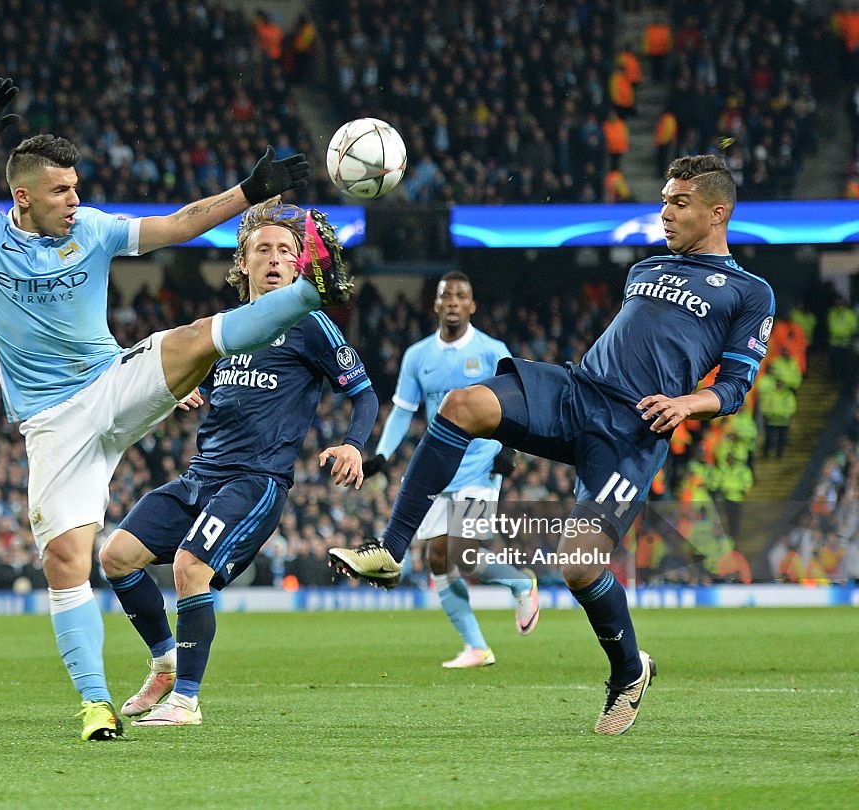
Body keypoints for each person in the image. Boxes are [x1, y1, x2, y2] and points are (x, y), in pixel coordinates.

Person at [0, 77, 351, 741]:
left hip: (113, 382)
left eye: (76, 188)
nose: (75, 200)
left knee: (200, 336)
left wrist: (248, 194)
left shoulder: (96, 230)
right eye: (61, 192)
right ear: (23, 195)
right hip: (54, 426)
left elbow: (176, 224)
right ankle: (97, 703)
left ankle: (314, 294)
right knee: (70, 562)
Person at [330, 154, 775, 735]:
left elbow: (737, 385)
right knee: (461, 404)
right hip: (577, 389)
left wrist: (687, 404)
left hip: (633, 429)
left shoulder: (749, 292)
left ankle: (627, 671)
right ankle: (389, 550)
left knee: (578, 566)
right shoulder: (645, 268)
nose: (664, 211)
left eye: (679, 202)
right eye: (664, 199)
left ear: (718, 212)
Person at [97, 199, 378, 726]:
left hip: (256, 481)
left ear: (298, 266)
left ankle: (186, 701)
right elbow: (188, 376)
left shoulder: (311, 324)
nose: (274, 259)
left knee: (189, 568)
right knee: (115, 557)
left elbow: (363, 394)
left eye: (285, 251)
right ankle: (165, 661)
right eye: (263, 249)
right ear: (242, 264)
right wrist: (174, 392)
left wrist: (355, 444)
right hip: (201, 476)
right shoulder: (222, 328)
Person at [361, 272, 539, 669]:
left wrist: (510, 448)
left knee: (465, 556)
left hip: (479, 467)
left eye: (462, 295)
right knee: (438, 558)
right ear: (436, 304)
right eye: (447, 296)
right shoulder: (418, 356)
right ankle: (477, 647)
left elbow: (519, 404)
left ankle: (520, 581)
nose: (454, 302)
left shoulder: (493, 351)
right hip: (439, 470)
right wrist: (383, 456)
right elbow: (404, 411)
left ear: (472, 305)